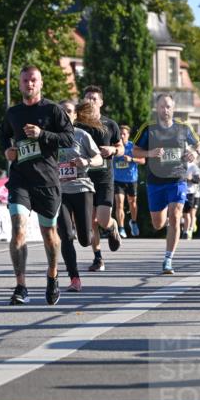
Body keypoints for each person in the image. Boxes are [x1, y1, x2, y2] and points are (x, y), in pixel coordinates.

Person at [1, 64, 74, 306]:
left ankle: (52, 276)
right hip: (20, 179)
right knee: (18, 229)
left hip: (47, 181)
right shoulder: (13, 113)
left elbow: (68, 138)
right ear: (20, 84)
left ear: (40, 83)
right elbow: (3, 135)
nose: (29, 84)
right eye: (25, 81)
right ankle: (21, 286)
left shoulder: (53, 110)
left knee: (48, 234)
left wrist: (43, 134)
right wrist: (7, 150)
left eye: (33, 80)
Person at [132, 93, 200, 275]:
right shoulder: (149, 128)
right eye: (162, 106)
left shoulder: (183, 127)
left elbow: (199, 144)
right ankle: (166, 230)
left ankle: (168, 259)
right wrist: (150, 153)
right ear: (157, 108)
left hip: (177, 179)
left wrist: (194, 152)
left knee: (176, 215)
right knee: (158, 223)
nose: (166, 110)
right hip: (155, 181)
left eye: (169, 106)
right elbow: (134, 151)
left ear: (173, 108)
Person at [56, 99, 103, 292]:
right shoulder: (50, 137)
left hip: (82, 188)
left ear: (75, 115)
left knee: (84, 239)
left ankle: (102, 231)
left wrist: (86, 161)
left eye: (68, 111)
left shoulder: (81, 135)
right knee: (66, 235)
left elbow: (99, 159)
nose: (65, 115)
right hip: (59, 192)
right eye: (61, 111)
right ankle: (74, 278)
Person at [77, 85, 122, 271]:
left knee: (103, 219)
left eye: (94, 98)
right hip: (84, 178)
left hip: (104, 177)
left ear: (101, 102)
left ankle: (112, 227)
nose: (90, 101)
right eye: (87, 98)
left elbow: (121, 148)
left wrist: (112, 150)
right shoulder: (78, 125)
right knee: (91, 221)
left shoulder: (110, 125)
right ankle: (98, 258)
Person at [113, 124, 140, 238]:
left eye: (124, 133)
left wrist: (131, 159)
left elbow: (143, 160)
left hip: (131, 180)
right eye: (120, 133)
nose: (122, 135)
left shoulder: (133, 147)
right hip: (118, 180)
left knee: (132, 203)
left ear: (128, 135)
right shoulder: (114, 147)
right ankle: (121, 227)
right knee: (119, 203)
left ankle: (133, 222)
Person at [182, 157, 200, 240]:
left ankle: (188, 230)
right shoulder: (179, 165)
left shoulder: (195, 168)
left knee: (191, 213)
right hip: (181, 192)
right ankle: (184, 228)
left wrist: (190, 178)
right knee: (181, 213)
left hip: (193, 193)